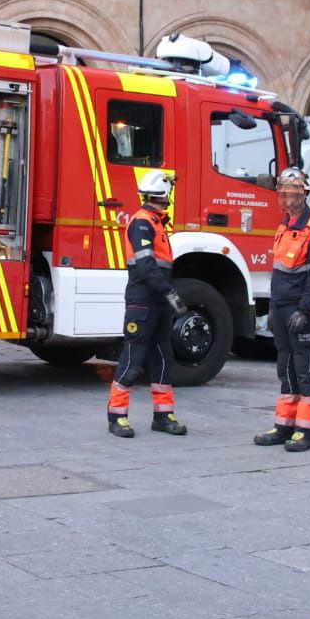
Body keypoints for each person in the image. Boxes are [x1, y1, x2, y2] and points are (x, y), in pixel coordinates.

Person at [107, 170, 188, 438]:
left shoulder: (156, 222)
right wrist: (170, 293)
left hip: (158, 301)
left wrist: (167, 296)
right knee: (134, 358)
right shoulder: (143, 223)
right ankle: (117, 416)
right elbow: (145, 265)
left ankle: (163, 416)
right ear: (163, 194)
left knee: (164, 357)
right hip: (143, 301)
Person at [253, 168, 310, 452]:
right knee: (285, 368)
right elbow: (279, 272)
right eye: (284, 194)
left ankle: (305, 432)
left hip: (301, 311)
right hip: (282, 307)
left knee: (305, 367)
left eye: (293, 195)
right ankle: (284, 426)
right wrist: (273, 309)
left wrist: (304, 309)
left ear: (304, 194)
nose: (287, 200)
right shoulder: (284, 226)